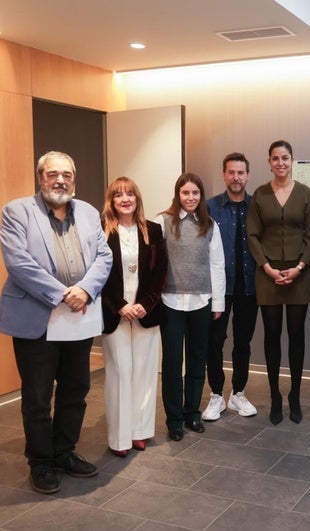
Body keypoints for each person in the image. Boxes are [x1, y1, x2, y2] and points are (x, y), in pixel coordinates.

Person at [0, 151, 112, 494]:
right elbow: (19, 263)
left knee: (76, 390)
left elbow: (104, 257)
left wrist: (86, 291)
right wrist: (64, 294)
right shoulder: (17, 211)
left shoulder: (89, 213)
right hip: (38, 318)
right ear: (40, 177)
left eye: (66, 175)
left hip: (79, 317)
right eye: (52, 174)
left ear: (74, 179)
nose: (60, 180)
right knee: (37, 396)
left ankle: (64, 452)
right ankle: (41, 462)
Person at [247, 141, 310, 425]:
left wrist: (300, 267)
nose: (280, 163)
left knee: (297, 336)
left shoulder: (305, 194)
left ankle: (295, 396)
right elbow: (252, 235)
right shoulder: (261, 195)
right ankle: (276, 396)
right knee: (272, 337)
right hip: (268, 276)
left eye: (285, 158)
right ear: (269, 161)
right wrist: (267, 268)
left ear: (292, 160)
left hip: (299, 274)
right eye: (275, 158)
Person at [101, 177, 168, 457]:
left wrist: (144, 304)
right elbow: (99, 276)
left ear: (137, 199)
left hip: (146, 312)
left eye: (130, 194)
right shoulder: (101, 232)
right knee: (120, 371)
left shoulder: (152, 230)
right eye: (119, 195)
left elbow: (161, 272)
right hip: (114, 312)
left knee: (144, 370)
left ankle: (140, 431)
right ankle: (119, 437)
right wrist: (119, 305)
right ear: (112, 201)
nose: (125, 199)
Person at [156, 173, 225, 441]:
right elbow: (153, 262)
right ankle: (174, 420)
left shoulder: (209, 225)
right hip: (170, 302)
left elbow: (217, 264)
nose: (190, 198)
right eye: (185, 193)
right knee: (173, 363)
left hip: (201, 302)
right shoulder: (162, 222)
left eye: (195, 193)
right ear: (178, 194)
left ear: (201, 196)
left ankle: (192, 413)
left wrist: (218, 301)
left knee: (197, 361)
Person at [202, 153, 259, 421]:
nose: (236, 177)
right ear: (224, 175)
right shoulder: (210, 207)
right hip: (218, 288)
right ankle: (216, 395)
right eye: (231, 172)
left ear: (247, 175)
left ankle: (238, 394)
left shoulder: (257, 206)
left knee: (243, 342)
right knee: (214, 342)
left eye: (241, 173)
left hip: (249, 286)